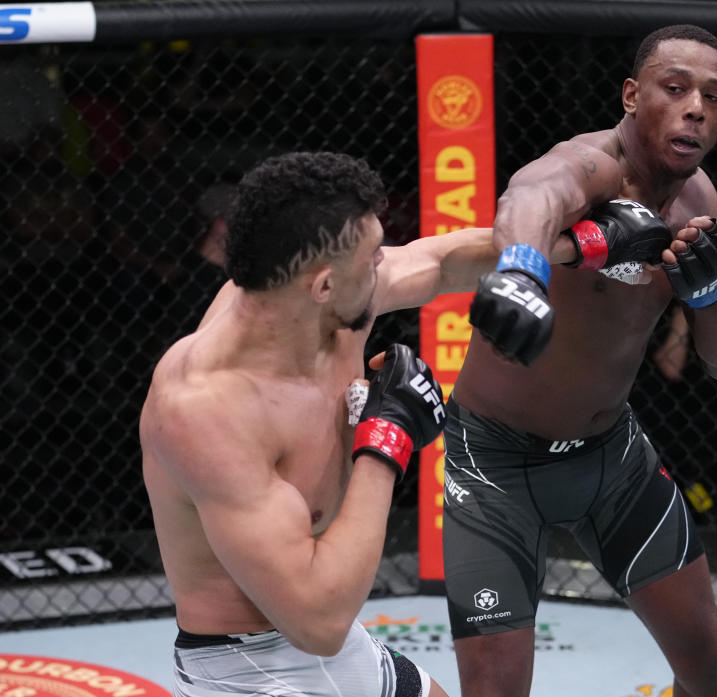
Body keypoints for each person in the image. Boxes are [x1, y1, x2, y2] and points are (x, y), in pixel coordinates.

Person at [138, 151, 590, 697]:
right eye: (373, 256)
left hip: (323, 638)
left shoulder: (329, 307)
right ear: (323, 285)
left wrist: (577, 249)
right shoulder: (205, 410)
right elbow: (318, 622)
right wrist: (386, 442)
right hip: (246, 668)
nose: (384, 263)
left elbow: (442, 261)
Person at [442, 25, 717, 697]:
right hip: (494, 458)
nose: (695, 106)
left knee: (710, 657)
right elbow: (534, 193)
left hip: (607, 456)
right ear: (633, 96)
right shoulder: (592, 166)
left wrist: (708, 299)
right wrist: (520, 268)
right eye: (675, 89)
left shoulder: (699, 203)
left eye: (714, 97)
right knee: (493, 690)